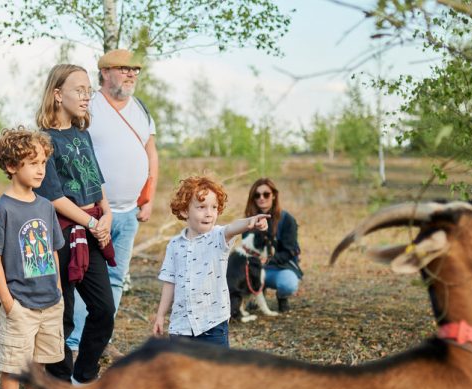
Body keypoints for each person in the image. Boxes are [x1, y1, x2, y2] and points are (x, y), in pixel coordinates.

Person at [65, 49, 159, 360]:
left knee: (116, 280)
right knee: (84, 276)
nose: (131, 74)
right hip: (91, 212)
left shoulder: (142, 110)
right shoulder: (88, 106)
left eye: (135, 69)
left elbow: (151, 155)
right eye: (124, 69)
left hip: (129, 211)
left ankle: (98, 339)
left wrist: (148, 199)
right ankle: (75, 343)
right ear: (105, 73)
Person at [0, 127, 66, 389]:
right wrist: (8, 301)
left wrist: (57, 285)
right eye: (32, 163)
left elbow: (54, 248)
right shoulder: (3, 210)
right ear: (12, 166)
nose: (41, 169)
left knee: (39, 358)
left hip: (48, 301)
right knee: (14, 362)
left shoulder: (45, 206)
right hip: (20, 303)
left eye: (43, 162)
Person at [35, 64, 116, 385]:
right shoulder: (43, 140)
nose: (87, 96)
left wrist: (106, 215)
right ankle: (60, 381)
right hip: (60, 234)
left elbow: (96, 182)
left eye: (88, 90)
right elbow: (54, 196)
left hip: (93, 228)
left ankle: (84, 373)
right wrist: (94, 221)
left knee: (103, 309)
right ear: (57, 95)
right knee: (62, 313)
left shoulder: (82, 136)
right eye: (79, 90)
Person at [153, 176, 270, 347]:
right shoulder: (174, 245)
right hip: (180, 327)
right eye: (201, 207)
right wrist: (160, 315)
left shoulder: (218, 237)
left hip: (213, 325)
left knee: (215, 372)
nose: (209, 213)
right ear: (185, 211)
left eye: (214, 207)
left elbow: (233, 227)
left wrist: (250, 222)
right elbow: (170, 282)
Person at [244, 178, 302, 312]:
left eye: (266, 194)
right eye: (257, 195)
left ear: (274, 195)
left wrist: (267, 260)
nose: (261, 198)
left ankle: (282, 297)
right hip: (255, 268)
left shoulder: (287, 219)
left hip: (280, 267)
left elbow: (290, 251)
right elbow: (246, 249)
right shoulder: (249, 220)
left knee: (288, 284)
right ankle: (257, 294)